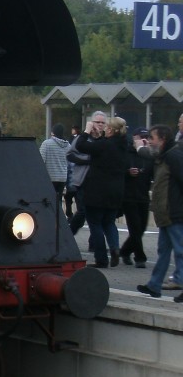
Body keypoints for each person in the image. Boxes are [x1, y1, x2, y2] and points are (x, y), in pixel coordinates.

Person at [72, 113, 127, 267]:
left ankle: (101, 259)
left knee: (95, 223)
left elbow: (80, 146)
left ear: (111, 130)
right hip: (116, 191)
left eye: (107, 127)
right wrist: (98, 137)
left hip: (97, 191)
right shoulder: (123, 145)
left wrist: (87, 131)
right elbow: (101, 148)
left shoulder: (105, 145)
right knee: (109, 222)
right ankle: (115, 248)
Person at [136, 125, 183, 298]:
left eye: (152, 138)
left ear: (162, 139)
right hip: (164, 213)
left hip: (174, 211)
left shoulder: (173, 156)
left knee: (180, 250)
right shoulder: (162, 157)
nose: (149, 141)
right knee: (163, 251)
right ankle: (154, 285)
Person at [118, 127, 153, 267]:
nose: (143, 140)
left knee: (142, 227)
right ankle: (140, 257)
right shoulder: (126, 153)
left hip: (143, 195)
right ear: (134, 138)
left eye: (146, 137)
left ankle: (125, 251)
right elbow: (118, 170)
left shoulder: (148, 155)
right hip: (129, 195)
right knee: (135, 227)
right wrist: (128, 172)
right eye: (140, 137)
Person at [39, 123, 70, 211]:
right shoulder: (68, 146)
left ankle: (49, 219)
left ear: (53, 132)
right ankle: (58, 219)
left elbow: (41, 160)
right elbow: (69, 161)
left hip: (50, 177)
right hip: (62, 178)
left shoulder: (46, 144)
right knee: (58, 200)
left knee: (48, 200)